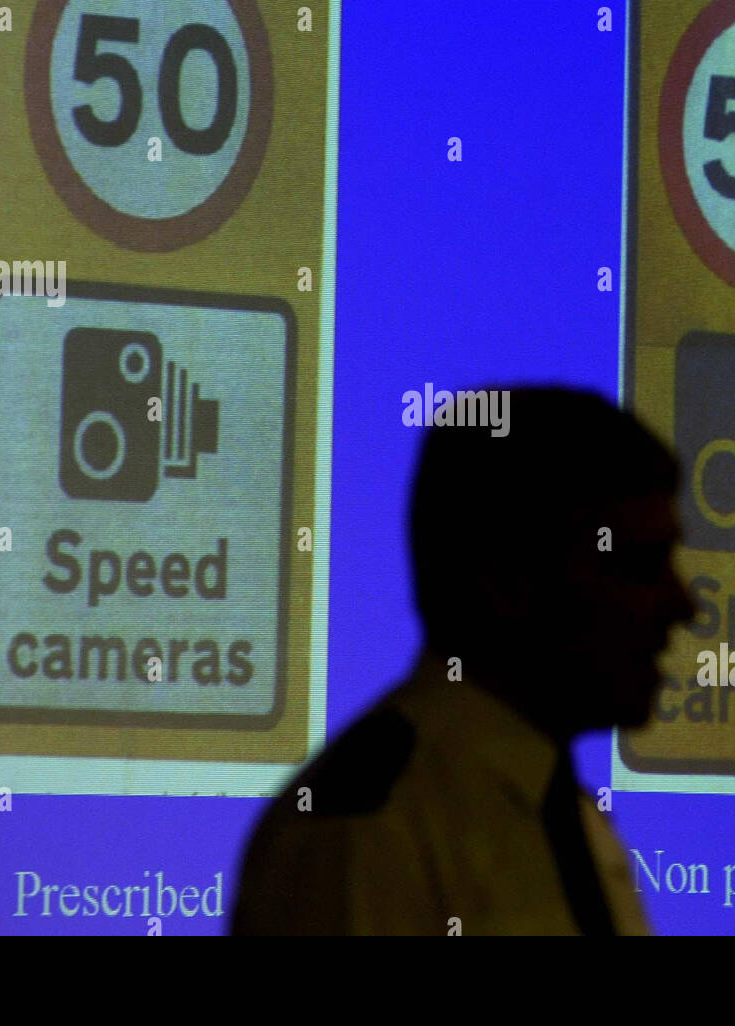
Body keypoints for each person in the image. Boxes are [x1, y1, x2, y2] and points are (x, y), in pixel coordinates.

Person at [230, 386, 695, 935]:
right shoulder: (367, 829)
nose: (683, 605)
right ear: (505, 580)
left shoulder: (564, 816)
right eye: (639, 565)